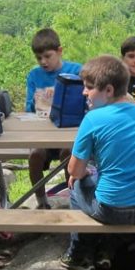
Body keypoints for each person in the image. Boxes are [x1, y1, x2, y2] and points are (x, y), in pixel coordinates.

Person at [61, 55, 135, 270]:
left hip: (113, 209)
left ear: (108, 90)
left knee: (75, 186)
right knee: (108, 181)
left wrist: (79, 174)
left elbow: (75, 171)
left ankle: (80, 253)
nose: (84, 93)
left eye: (89, 88)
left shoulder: (92, 119)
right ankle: (107, 250)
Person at [25, 28, 82, 209]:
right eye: (39, 58)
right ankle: (42, 201)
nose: (43, 62)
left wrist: (60, 94)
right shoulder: (34, 75)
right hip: (43, 133)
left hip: (67, 132)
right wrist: (37, 101)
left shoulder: (76, 70)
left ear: (59, 51)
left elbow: (84, 101)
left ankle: (74, 198)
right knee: (35, 155)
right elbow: (28, 109)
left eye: (48, 56)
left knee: (68, 154)